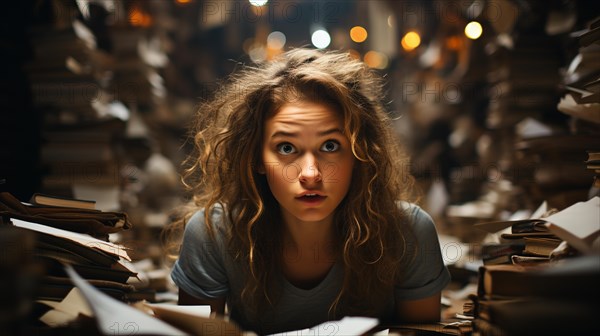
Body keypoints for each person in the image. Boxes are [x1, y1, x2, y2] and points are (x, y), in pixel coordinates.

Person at [164, 48, 451, 334]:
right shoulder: (213, 235)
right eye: (286, 148)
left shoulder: (408, 232)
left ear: (359, 154)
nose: (311, 174)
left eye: (330, 146)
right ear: (256, 158)